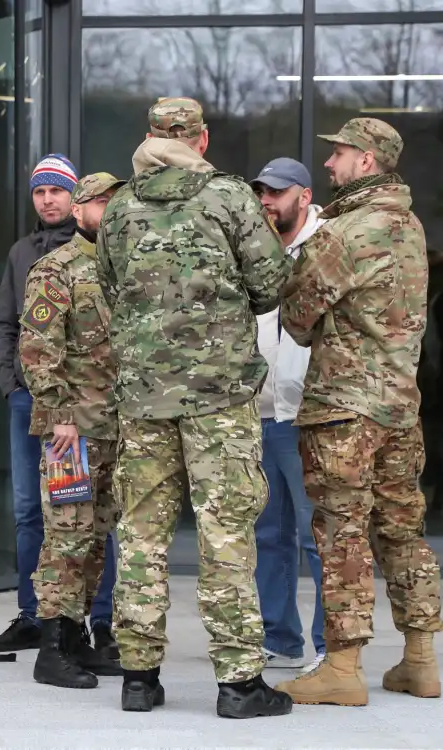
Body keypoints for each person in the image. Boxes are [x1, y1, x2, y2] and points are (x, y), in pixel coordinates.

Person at [95, 96, 294, 718]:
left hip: (143, 399)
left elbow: (109, 287)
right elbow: (270, 285)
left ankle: (137, 678)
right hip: (219, 399)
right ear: (200, 140)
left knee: (141, 537)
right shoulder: (229, 197)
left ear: (150, 137)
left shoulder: (119, 206)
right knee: (225, 534)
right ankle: (238, 685)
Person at [275, 118, 442, 707]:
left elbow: (296, 317)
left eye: (340, 153)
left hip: (344, 409)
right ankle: (420, 662)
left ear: (367, 160)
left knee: (342, 532)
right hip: (400, 408)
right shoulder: (410, 226)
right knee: (403, 529)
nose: (330, 163)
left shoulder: (346, 231)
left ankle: (342, 670)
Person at [0, 154, 115, 656]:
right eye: (39, 192)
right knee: (32, 513)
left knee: (93, 515)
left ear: (75, 199)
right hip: (35, 405)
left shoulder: (104, 253)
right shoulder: (24, 254)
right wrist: (13, 386)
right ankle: (34, 616)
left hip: (86, 413)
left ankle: (97, 621)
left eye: (57, 191)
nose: (47, 200)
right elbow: (8, 325)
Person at [19, 172, 128, 688]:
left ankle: (77, 635)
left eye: (115, 202)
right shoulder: (56, 269)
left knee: (97, 537)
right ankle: (52, 648)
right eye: (100, 202)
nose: (109, 210)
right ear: (79, 210)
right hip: (71, 433)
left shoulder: (122, 267)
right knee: (66, 536)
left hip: (113, 428)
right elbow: (38, 349)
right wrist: (60, 413)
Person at [249, 158, 327, 674]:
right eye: (262, 192)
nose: (266, 201)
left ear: (303, 195)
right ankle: (279, 637)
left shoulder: (327, 247)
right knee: (268, 536)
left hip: (307, 416)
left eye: (276, 192)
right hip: (261, 415)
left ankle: (329, 646)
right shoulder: (257, 249)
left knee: (318, 536)